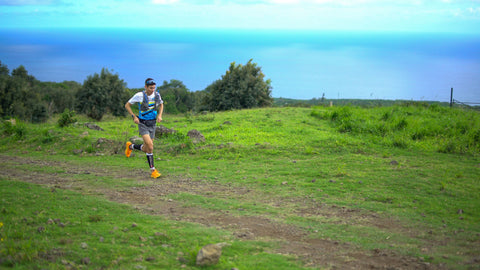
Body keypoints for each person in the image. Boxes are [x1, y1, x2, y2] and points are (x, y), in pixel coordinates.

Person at [124, 78, 164, 178]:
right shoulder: (139, 95)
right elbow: (127, 105)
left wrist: (160, 115)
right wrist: (134, 116)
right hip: (142, 124)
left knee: (147, 148)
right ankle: (153, 171)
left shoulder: (157, 95)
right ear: (145, 87)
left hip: (153, 123)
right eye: (150, 88)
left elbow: (161, 105)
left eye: (154, 88)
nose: (152, 90)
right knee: (150, 147)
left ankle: (130, 146)